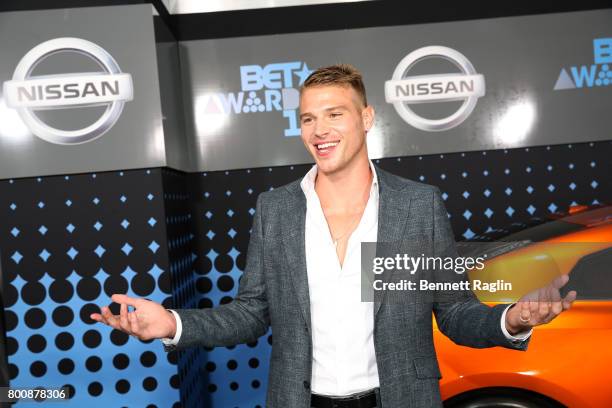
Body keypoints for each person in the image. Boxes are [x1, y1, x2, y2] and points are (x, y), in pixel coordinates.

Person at [91, 64, 576, 408]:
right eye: (307, 118)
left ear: (366, 118)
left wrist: (512, 319)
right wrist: (173, 324)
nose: (319, 130)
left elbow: (452, 314)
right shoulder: (277, 209)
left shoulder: (416, 205)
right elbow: (250, 313)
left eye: (334, 114)